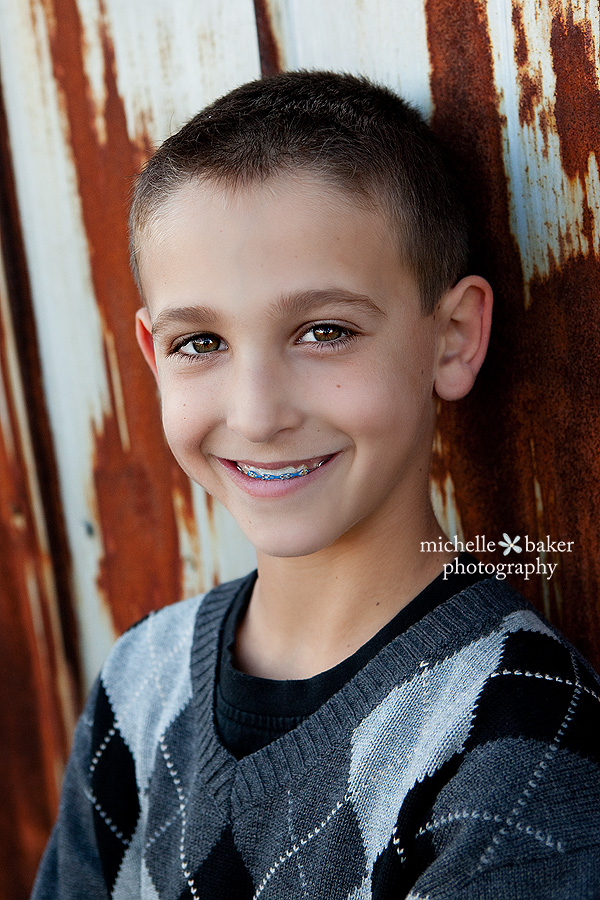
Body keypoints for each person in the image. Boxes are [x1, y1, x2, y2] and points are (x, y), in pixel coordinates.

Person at [32, 71, 600, 900]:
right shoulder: (142, 679)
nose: (257, 415)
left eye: (324, 331)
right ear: (153, 357)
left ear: (452, 338)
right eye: (202, 343)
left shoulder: (515, 742)